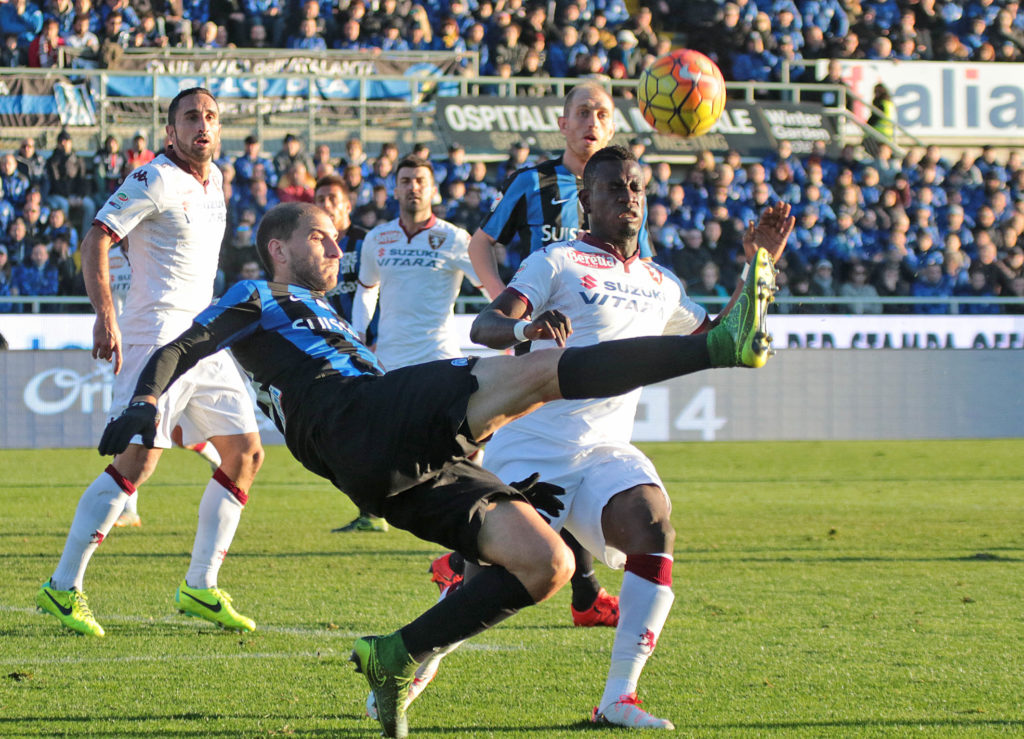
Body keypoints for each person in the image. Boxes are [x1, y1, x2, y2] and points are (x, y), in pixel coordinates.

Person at [96, 199, 778, 739]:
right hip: (360, 415)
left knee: (546, 565)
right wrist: (145, 403)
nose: (337, 246)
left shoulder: (324, 318)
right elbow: (185, 343)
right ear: (278, 249)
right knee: (534, 373)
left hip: (388, 465)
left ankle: (396, 654)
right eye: (321, 236)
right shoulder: (257, 296)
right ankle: (716, 346)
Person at [380, 148, 794, 730]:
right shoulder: (557, 261)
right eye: (614, 188)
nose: (628, 196)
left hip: (604, 451)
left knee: (653, 525)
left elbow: (723, 335)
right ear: (587, 200)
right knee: (493, 588)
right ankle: (411, 664)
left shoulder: (661, 284)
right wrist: (527, 327)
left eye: (636, 187)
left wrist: (758, 264)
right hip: (533, 445)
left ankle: (618, 698)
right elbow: (485, 325)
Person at [35, 88, 264, 639]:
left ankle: (200, 586)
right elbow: (96, 238)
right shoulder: (154, 177)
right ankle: (63, 587)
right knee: (138, 461)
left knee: (246, 453)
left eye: (210, 117)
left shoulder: (217, 181)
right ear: (170, 131)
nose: (202, 126)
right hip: (155, 336)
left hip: (204, 336)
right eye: (191, 117)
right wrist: (105, 315)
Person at [467, 81, 652, 629]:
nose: (591, 121)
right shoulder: (534, 180)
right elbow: (482, 242)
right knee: (539, 460)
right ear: (563, 124)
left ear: (613, 126)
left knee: (572, 463)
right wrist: (502, 309)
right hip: (538, 343)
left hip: (594, 348)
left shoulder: (627, 190)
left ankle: (576, 589)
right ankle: (470, 558)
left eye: (601, 113)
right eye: (581, 112)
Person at [311, 172, 384, 534]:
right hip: (330, 352)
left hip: (371, 348)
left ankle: (375, 510)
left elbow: (380, 293)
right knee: (339, 435)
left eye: (332, 200)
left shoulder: (367, 242)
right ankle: (371, 508)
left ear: (347, 206)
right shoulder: (309, 248)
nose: (325, 205)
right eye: (319, 199)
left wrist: (376, 338)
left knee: (367, 430)